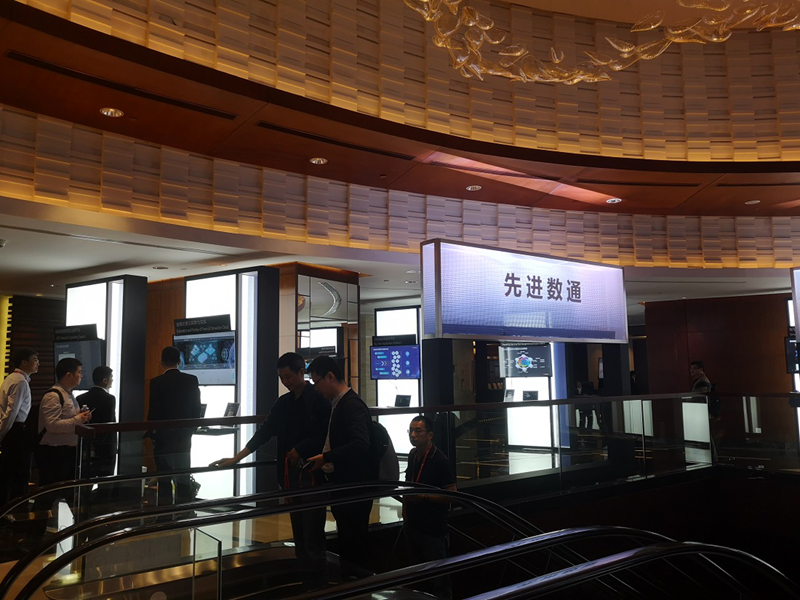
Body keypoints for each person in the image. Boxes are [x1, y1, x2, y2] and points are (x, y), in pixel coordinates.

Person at [211, 352, 331, 589]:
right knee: (300, 535)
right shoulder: (284, 403)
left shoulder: (318, 400)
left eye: (288, 377)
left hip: (313, 477)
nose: (285, 382)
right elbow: (265, 432)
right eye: (281, 378)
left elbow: (325, 434)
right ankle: (308, 584)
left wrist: (300, 449)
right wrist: (237, 458)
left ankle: (319, 586)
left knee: (312, 536)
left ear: (301, 372)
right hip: (290, 478)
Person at [306, 356, 373, 579]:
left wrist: (326, 457)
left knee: (354, 544)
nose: (316, 388)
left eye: (317, 382)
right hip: (344, 485)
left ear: (330, 377)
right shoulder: (338, 403)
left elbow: (360, 444)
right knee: (347, 541)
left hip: (353, 487)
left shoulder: (351, 405)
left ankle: (359, 587)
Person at [32, 358, 92, 533]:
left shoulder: (69, 395)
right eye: (79, 372)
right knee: (47, 496)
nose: (81, 376)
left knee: (70, 494)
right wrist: (77, 419)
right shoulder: (53, 396)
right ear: (69, 375)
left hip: (67, 452)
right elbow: (52, 425)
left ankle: (82, 532)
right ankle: (33, 534)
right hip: (53, 453)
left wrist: (81, 417)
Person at [403, 415, 457, 600]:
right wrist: (406, 515)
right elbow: (408, 485)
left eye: (418, 431)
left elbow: (452, 495)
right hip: (413, 525)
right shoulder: (413, 455)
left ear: (430, 435)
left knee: (439, 580)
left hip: (433, 529)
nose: (413, 435)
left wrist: (424, 497)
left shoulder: (440, 460)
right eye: (411, 430)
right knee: (419, 577)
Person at [148, 346, 202, 505]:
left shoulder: (156, 382)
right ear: (179, 361)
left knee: (164, 477)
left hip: (162, 437)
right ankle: (183, 511)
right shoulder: (191, 380)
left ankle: (165, 512)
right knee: (183, 473)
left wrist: (153, 433)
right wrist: (191, 430)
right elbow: (196, 409)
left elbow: (153, 413)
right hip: (184, 435)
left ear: (161, 362)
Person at [0, 349, 39, 506]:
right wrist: (2, 434)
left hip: (12, 431)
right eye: (34, 359)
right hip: (15, 432)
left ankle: (7, 509)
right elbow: (12, 412)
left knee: (8, 473)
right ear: (24, 362)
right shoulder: (20, 382)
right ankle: (15, 510)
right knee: (19, 475)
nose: (38, 363)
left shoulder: (11, 378)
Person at [80, 366, 117, 477]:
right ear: (105, 380)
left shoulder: (81, 398)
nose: (112, 380)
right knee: (105, 480)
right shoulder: (109, 398)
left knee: (86, 477)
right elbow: (108, 423)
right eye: (111, 377)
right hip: (106, 446)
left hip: (86, 444)